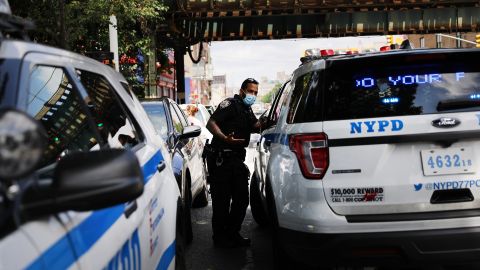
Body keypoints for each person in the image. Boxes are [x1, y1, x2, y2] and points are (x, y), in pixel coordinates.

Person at [205, 77, 265, 248]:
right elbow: (211, 123)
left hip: (236, 160)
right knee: (221, 202)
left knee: (241, 200)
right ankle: (220, 238)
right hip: (221, 160)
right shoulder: (230, 104)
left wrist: (269, 120)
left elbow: (255, 125)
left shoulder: (247, 109)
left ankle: (232, 233)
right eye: (251, 91)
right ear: (242, 91)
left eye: (255, 92)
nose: (253, 95)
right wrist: (225, 138)